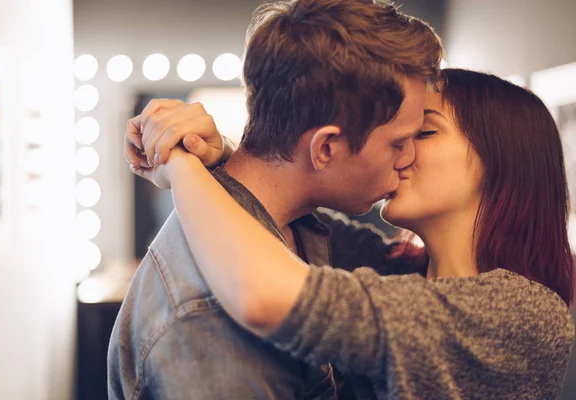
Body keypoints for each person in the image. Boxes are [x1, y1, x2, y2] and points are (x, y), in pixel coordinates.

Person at [139, 69, 576, 399]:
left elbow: (265, 291)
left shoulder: (524, 314)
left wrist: (181, 166)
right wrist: (214, 156)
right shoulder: (390, 267)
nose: (398, 147)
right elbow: (277, 203)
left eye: (422, 131)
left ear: (500, 161)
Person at [109, 0, 443, 398]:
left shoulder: (297, 225)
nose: (408, 159)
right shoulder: (208, 317)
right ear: (326, 149)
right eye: (399, 142)